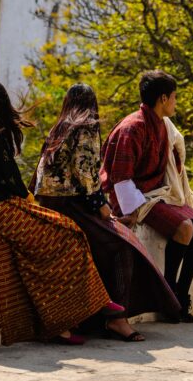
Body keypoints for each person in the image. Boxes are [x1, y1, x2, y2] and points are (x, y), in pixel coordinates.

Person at [0, 78, 126, 346]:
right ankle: (85, 310)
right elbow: (13, 184)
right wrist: (30, 206)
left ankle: (76, 313)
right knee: (67, 233)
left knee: (42, 244)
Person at [34, 83, 181, 339]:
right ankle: (117, 319)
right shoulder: (86, 127)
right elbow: (86, 174)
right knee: (123, 246)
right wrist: (102, 209)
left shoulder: (60, 127)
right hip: (71, 204)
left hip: (48, 204)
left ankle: (97, 317)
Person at [101, 69, 193, 322]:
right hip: (135, 197)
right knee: (184, 228)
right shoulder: (132, 128)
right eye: (174, 97)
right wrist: (129, 211)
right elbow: (120, 178)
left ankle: (181, 294)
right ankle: (169, 297)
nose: (176, 102)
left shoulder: (163, 126)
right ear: (163, 99)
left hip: (157, 194)